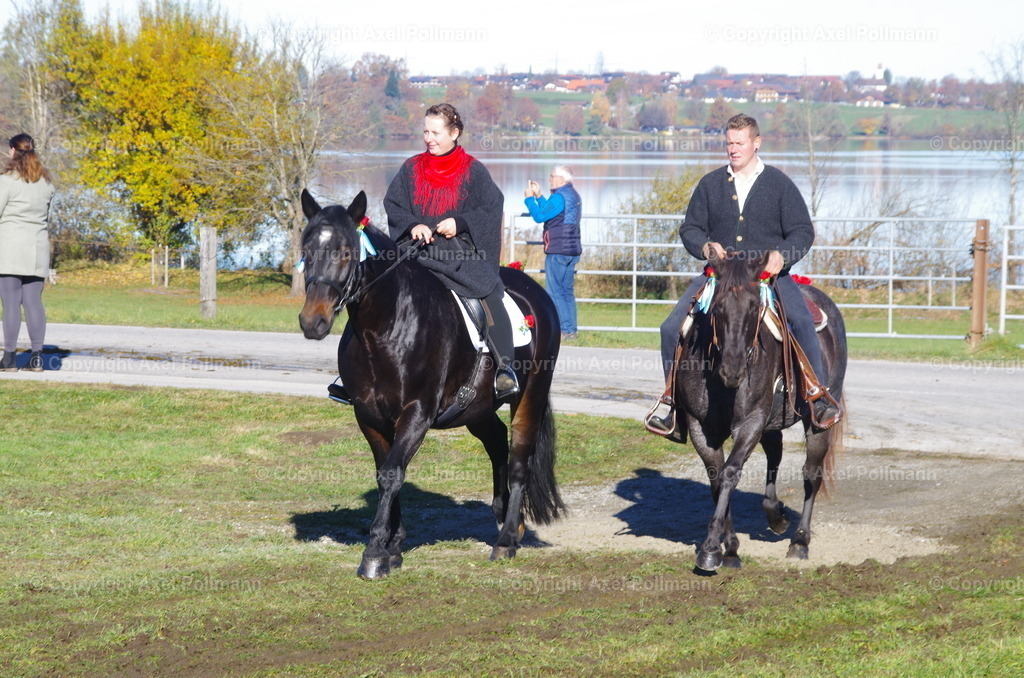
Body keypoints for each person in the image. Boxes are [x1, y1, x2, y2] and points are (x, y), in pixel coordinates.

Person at [655, 113, 840, 430]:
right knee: (671, 327)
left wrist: (783, 255)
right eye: (728, 143)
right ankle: (673, 402)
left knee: (801, 322)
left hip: (769, 277)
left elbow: (801, 232)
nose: (732, 149)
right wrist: (706, 247)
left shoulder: (779, 184)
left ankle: (816, 395)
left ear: (756, 143)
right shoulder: (710, 184)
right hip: (720, 276)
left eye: (739, 143)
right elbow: (691, 229)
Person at [382, 102, 519, 399]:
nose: (429, 138)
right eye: (425, 131)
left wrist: (461, 222)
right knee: (378, 285)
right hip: (416, 249)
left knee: (488, 289)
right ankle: (358, 370)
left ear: (455, 132)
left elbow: (492, 208)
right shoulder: (410, 169)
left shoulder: (474, 172)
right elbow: (393, 204)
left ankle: (506, 369)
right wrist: (412, 224)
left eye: (436, 132)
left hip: (459, 253)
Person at [0, 133, 56, 372]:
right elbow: (47, 217)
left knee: (11, 303)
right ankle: (36, 357)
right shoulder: (46, 183)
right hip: (37, 249)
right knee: (34, 303)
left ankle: (10, 358)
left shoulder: (6, 181)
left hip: (10, 248)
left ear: (13, 150)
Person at [524, 165, 582, 339]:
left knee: (555, 291)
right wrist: (540, 196)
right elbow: (551, 212)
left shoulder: (559, 197)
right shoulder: (572, 194)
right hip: (571, 249)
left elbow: (540, 216)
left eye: (552, 176)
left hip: (558, 250)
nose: (549, 179)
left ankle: (563, 330)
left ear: (561, 179)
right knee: (566, 292)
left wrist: (529, 200)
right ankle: (570, 330)